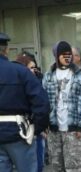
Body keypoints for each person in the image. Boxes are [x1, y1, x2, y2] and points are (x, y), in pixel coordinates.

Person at [0, 32, 50, 172]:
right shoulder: (21, 72)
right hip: (19, 133)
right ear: (6, 50)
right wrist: (36, 129)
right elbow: (42, 103)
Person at [43, 41, 81, 172]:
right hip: (53, 128)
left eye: (69, 54)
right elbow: (44, 102)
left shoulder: (80, 75)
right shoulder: (48, 76)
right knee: (57, 166)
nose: (68, 57)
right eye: (64, 54)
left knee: (74, 166)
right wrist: (44, 124)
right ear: (57, 55)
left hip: (73, 128)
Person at [14, 54, 47, 172]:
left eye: (35, 68)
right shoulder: (18, 84)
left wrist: (40, 128)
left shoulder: (36, 81)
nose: (34, 70)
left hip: (35, 130)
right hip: (24, 130)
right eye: (31, 68)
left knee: (39, 163)